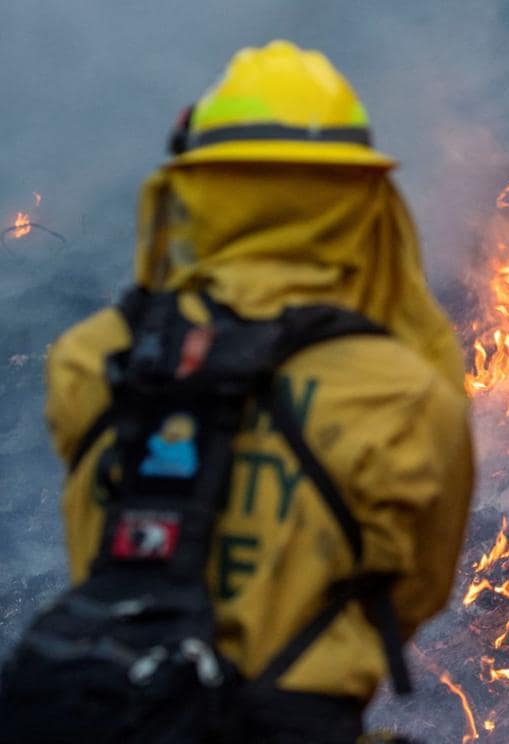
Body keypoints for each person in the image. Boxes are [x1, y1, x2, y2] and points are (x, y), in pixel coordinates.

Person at [26, 41, 474, 743]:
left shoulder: (91, 359)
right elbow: (414, 593)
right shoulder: (401, 394)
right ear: (357, 197)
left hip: (110, 710)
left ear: (195, 192)